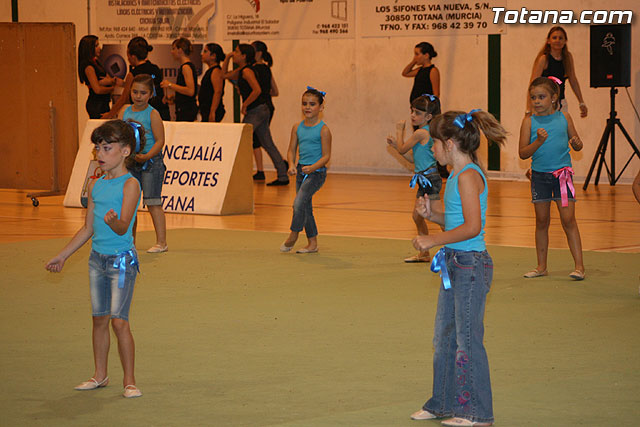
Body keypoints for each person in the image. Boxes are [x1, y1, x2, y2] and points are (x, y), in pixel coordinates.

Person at [409, 109, 506, 427]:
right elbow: (456, 222)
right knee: (445, 337)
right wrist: (431, 215)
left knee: (467, 340)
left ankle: (477, 412)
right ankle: (443, 402)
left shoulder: (468, 177)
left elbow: (472, 228)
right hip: (454, 263)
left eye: (434, 143)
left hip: (470, 267)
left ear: (449, 144)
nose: (432, 148)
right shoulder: (455, 176)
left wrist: (432, 239)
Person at [45, 119, 144, 398]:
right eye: (98, 148)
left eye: (107, 148)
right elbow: (87, 228)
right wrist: (63, 255)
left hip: (121, 262)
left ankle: (130, 381)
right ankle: (100, 375)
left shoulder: (130, 185)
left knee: (119, 322)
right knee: (99, 320)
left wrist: (114, 222)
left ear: (125, 151)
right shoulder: (96, 185)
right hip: (96, 261)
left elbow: (124, 227)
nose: (100, 154)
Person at [519, 77, 585, 280]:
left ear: (554, 98)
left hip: (562, 177)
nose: (536, 101)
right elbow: (523, 153)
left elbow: (577, 144)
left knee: (568, 220)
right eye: (533, 98)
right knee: (541, 221)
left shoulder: (565, 118)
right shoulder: (529, 122)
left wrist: (577, 144)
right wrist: (538, 141)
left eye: (541, 97)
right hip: (539, 178)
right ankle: (541, 267)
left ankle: (579, 267)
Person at [386, 94, 443, 263]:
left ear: (428, 116)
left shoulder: (421, 133)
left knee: (439, 217)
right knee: (418, 216)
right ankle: (424, 253)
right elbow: (412, 158)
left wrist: (399, 130)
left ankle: (457, 247)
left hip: (429, 178)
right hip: (423, 178)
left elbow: (403, 149)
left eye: (417, 113)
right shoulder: (425, 133)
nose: (412, 115)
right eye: (412, 111)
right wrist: (396, 146)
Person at [222, 44, 289, 185]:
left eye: (236, 52)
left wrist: (245, 104)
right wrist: (227, 57)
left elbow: (257, 90)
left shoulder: (247, 71)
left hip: (257, 110)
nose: (234, 54)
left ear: (244, 56)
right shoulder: (243, 70)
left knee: (241, 139)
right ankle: (283, 175)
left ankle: (233, 174)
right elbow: (224, 75)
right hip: (261, 109)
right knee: (267, 143)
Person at [118, 74, 168, 253]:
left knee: (153, 201)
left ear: (151, 94)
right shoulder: (124, 111)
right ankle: (130, 242)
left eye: (143, 93)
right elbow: (120, 136)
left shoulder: (153, 114)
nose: (138, 96)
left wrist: (147, 156)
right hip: (130, 162)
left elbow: (160, 141)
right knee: (129, 204)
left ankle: (161, 242)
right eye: (135, 92)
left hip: (151, 163)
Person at [279, 87, 332, 253]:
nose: (307, 107)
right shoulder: (297, 127)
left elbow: (326, 156)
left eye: (312, 104)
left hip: (316, 173)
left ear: (321, 107)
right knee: (305, 206)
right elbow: (291, 150)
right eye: (304, 104)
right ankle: (312, 243)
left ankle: (293, 234)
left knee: (298, 203)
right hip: (301, 171)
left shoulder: (324, 130)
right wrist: (291, 164)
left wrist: (313, 167)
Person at [103, 37, 170, 121]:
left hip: (143, 114)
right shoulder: (155, 68)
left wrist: (110, 114)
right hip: (161, 112)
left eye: (128, 56)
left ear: (133, 57)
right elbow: (150, 86)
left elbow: (124, 98)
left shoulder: (133, 74)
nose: (128, 59)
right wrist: (124, 84)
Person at [527, 26, 587, 118]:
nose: (557, 40)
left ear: (565, 41)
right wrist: (528, 110)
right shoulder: (544, 59)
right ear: (548, 41)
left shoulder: (567, 58)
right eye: (554, 38)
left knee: (563, 126)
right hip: (543, 104)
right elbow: (532, 85)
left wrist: (581, 102)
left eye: (560, 38)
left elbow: (573, 80)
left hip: (560, 102)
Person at [251, 40, 280, 181]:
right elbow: (275, 91)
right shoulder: (267, 69)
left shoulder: (253, 69)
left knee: (259, 139)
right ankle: (275, 166)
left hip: (259, 107)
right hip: (269, 106)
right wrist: (265, 93)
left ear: (259, 53)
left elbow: (257, 90)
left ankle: (262, 170)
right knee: (261, 138)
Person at [160, 37, 198, 121]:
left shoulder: (186, 67)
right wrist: (175, 98)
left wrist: (170, 85)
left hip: (187, 111)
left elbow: (190, 91)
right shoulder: (185, 66)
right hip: (184, 109)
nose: (171, 52)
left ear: (180, 50)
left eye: (174, 49)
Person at [78, 35, 115, 118]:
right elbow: (97, 89)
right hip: (97, 105)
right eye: (96, 46)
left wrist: (109, 82)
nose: (99, 48)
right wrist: (112, 89)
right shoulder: (88, 66)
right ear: (89, 48)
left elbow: (109, 79)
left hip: (103, 103)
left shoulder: (96, 62)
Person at [198, 43, 226, 122]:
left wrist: (213, 111)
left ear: (213, 56)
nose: (202, 54)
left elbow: (218, 91)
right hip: (206, 109)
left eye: (205, 51)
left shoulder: (216, 71)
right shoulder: (211, 71)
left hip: (212, 110)